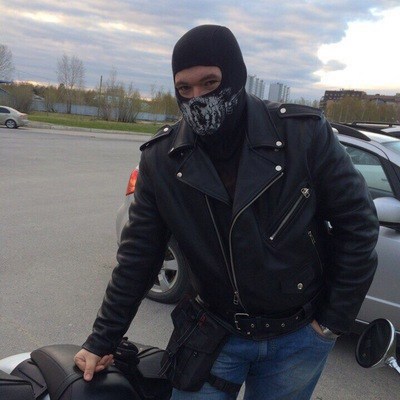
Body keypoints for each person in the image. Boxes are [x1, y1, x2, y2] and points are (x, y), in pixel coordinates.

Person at [74, 25, 379, 399]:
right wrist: (102, 339)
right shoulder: (163, 159)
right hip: (211, 332)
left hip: (297, 338)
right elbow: (139, 255)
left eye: (210, 83)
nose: (197, 98)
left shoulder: (303, 135)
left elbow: (358, 226)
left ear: (236, 75)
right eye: (184, 88)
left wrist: (330, 323)